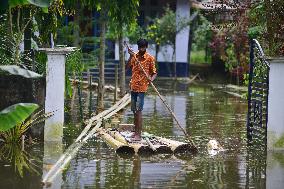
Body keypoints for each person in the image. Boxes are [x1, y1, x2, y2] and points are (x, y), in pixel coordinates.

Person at [126, 39, 157, 141]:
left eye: (143, 47)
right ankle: (135, 132)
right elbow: (127, 67)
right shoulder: (134, 56)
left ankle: (138, 135)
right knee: (134, 110)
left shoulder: (150, 58)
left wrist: (150, 80)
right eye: (139, 47)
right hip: (133, 86)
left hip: (142, 88)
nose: (141, 49)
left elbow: (154, 73)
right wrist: (130, 56)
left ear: (146, 47)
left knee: (139, 111)